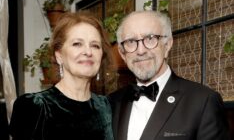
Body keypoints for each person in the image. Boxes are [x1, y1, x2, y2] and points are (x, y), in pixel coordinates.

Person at [108, 10, 230, 140]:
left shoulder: (203, 101)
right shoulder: (111, 103)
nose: (141, 50)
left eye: (150, 38)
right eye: (131, 41)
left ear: (167, 45)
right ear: (122, 54)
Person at [9, 11, 114, 140]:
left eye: (95, 45)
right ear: (59, 56)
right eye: (77, 44)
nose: (88, 51)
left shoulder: (107, 107)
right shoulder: (35, 107)